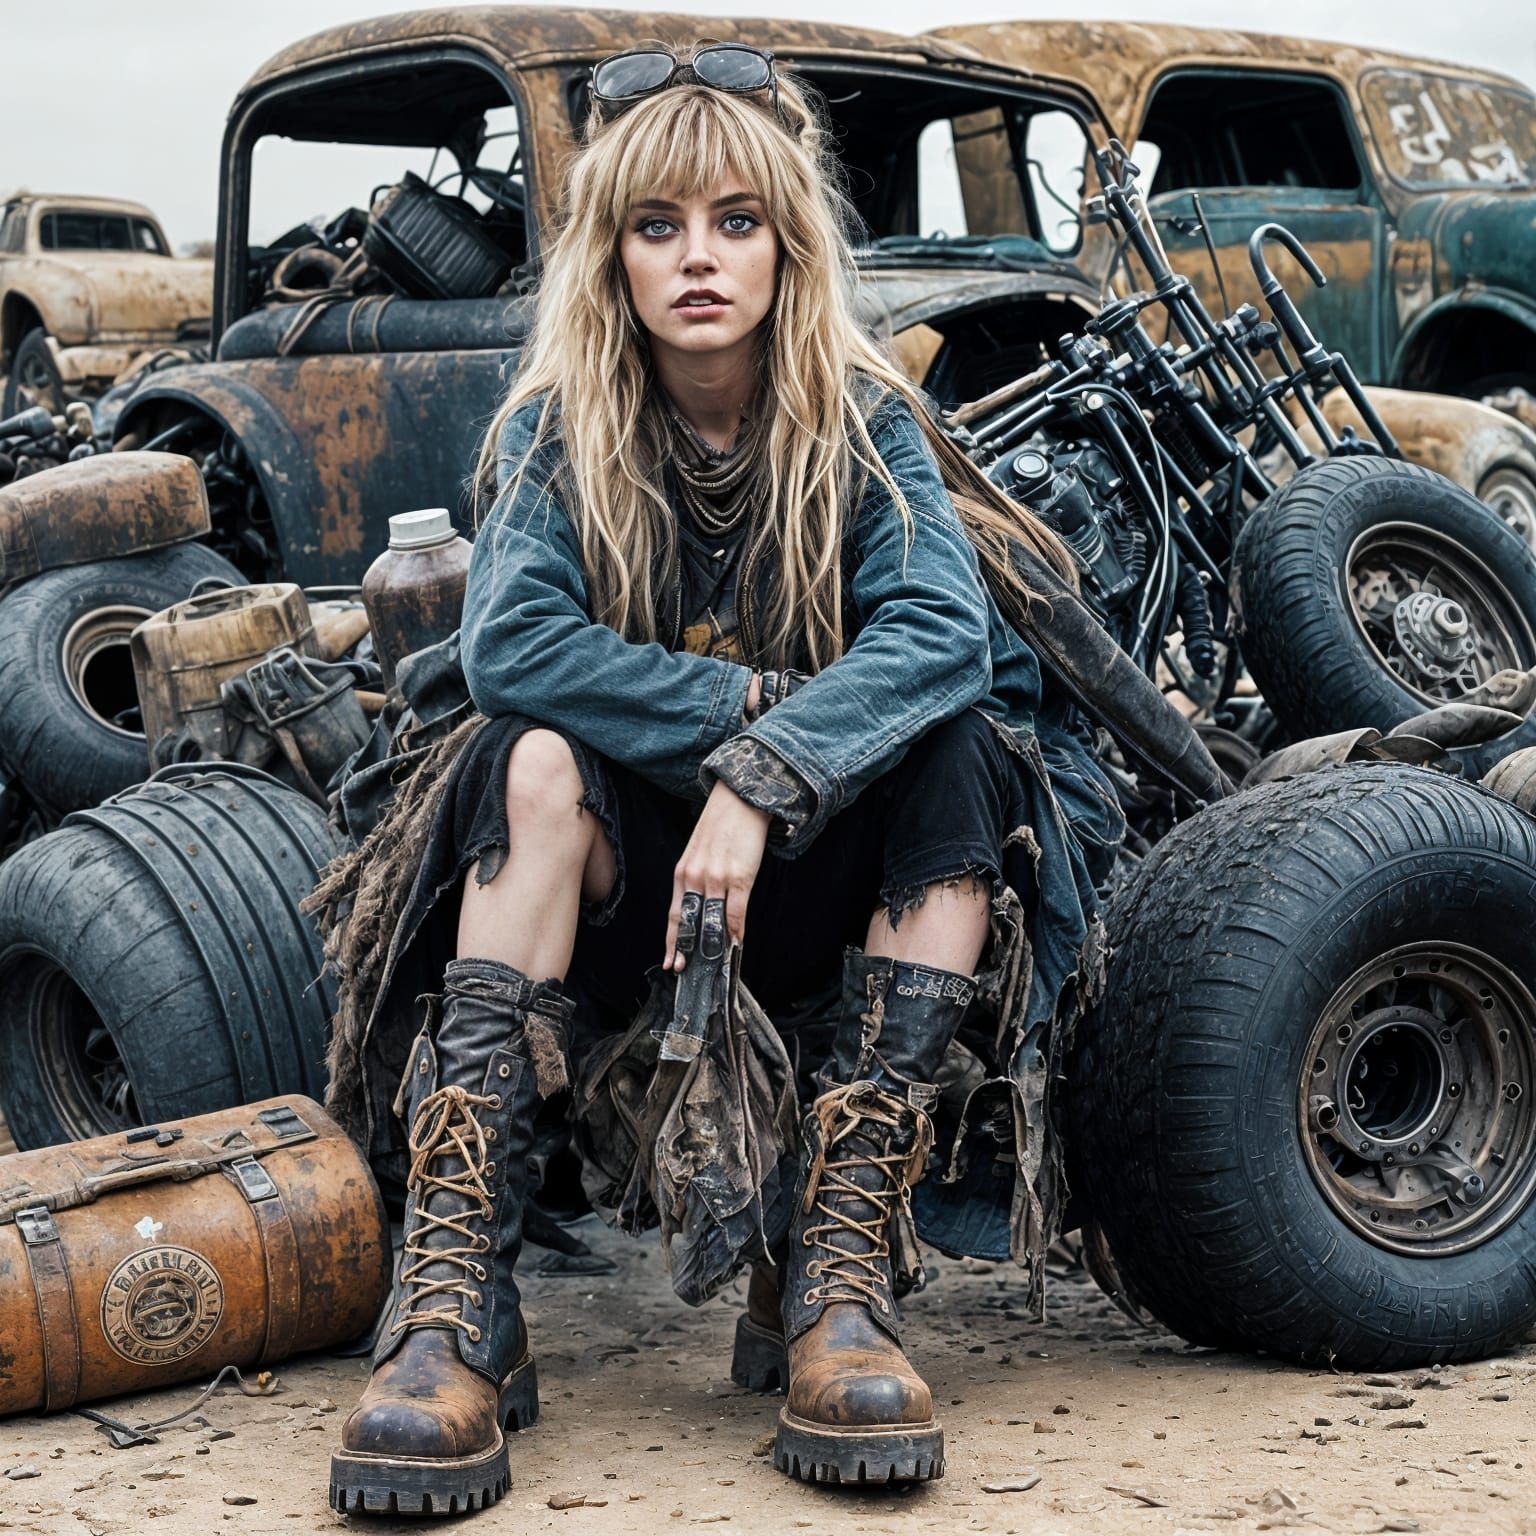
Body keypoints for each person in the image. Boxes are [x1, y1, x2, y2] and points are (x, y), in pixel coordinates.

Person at [323, 42, 1124, 1517]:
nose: (699, 258)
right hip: (623, 887)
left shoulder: (865, 423)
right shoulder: (560, 429)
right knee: (529, 758)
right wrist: (742, 705)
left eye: (737, 221)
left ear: (788, 244)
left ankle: (833, 1284)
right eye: (658, 225)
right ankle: (457, 1310)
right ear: (612, 254)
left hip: (814, 887)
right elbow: (512, 645)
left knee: (962, 753)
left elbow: (945, 636)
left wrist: (763, 773)